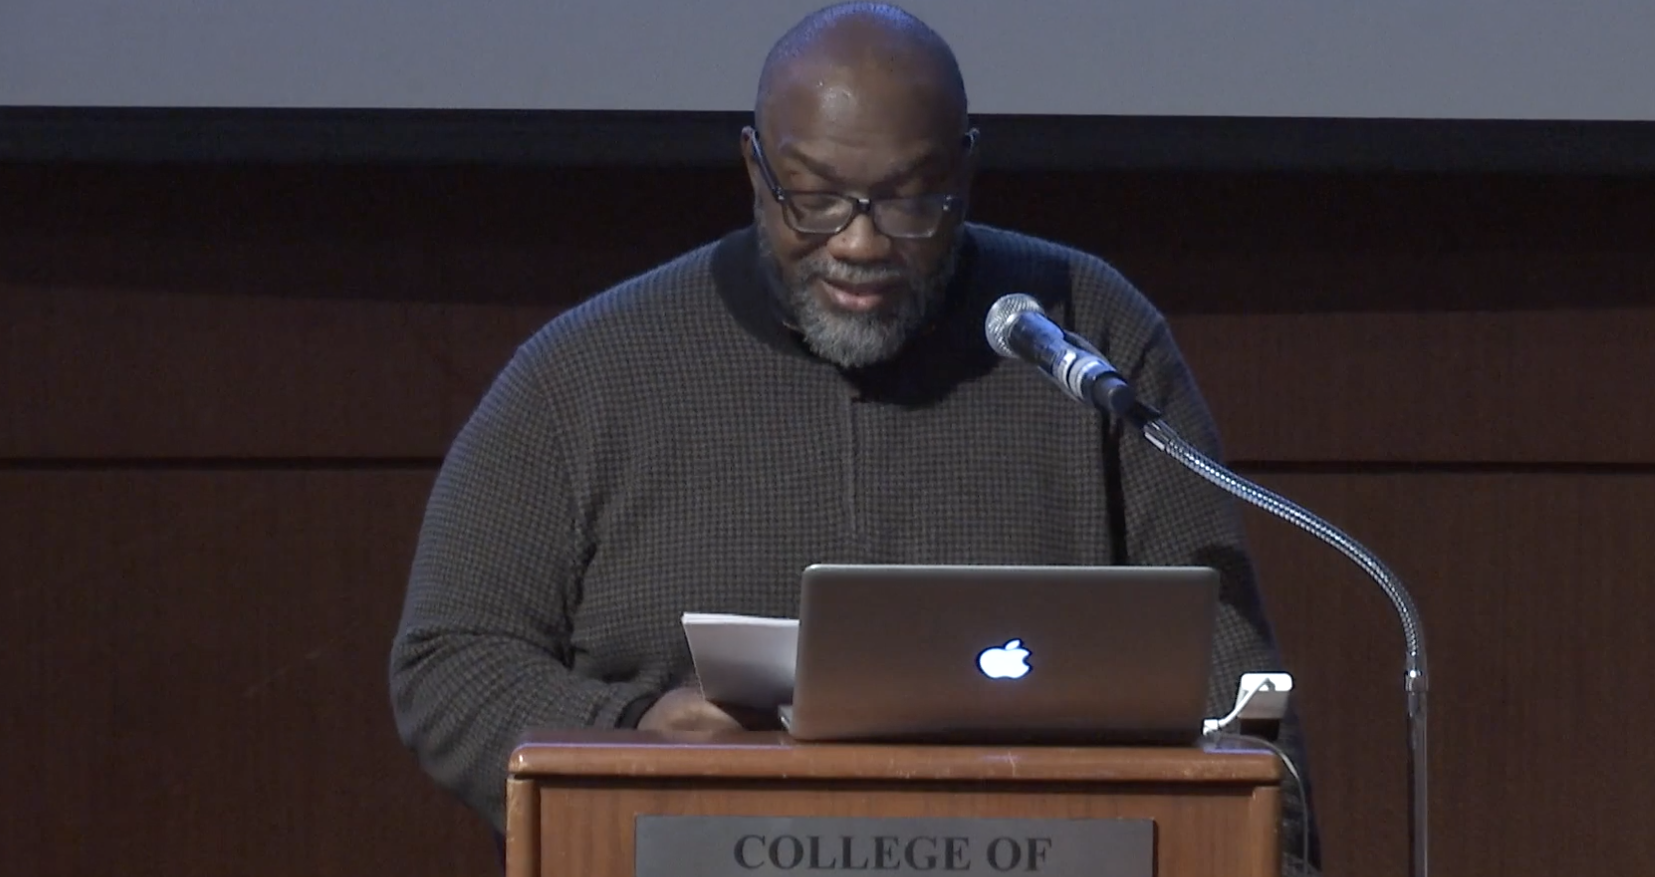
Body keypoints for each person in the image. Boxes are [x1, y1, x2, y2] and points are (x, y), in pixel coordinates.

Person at [388, 2, 1320, 873]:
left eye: (909, 200)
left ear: (963, 172)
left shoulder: (1087, 338)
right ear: (755, 169)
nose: (861, 243)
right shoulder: (588, 372)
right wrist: (633, 728)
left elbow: (1237, 698)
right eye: (816, 199)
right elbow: (452, 656)